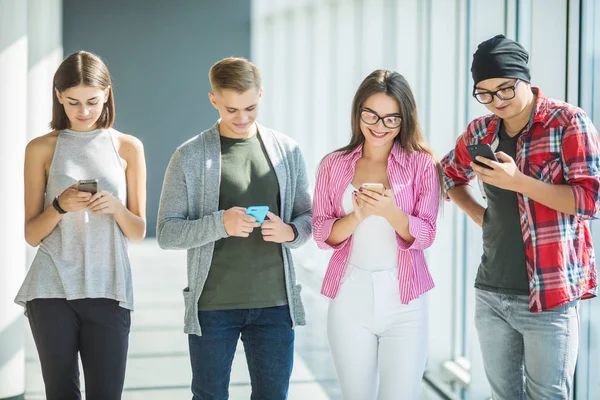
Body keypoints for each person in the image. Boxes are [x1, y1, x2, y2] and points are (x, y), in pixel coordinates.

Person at [441, 34, 600, 399]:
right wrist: (483, 216)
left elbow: (590, 200)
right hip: (491, 294)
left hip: (550, 296)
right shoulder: (481, 131)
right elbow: (448, 173)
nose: (497, 102)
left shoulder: (568, 123)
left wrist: (519, 182)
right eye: (485, 93)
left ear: (524, 78)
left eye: (505, 89)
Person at [156, 57, 312, 400]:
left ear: (261, 95)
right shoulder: (189, 156)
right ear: (213, 100)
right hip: (213, 307)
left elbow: (308, 217)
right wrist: (220, 223)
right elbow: (166, 232)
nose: (242, 118)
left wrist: (290, 233)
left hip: (275, 305)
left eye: (250, 108)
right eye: (231, 109)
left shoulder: (287, 151)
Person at [15, 50, 147, 400]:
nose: (84, 111)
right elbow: (31, 234)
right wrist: (60, 205)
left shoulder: (128, 147)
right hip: (51, 289)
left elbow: (137, 231)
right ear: (58, 96)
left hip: (110, 288)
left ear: (106, 93)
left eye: (92, 101)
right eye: (73, 102)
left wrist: (116, 208)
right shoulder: (40, 148)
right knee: (61, 394)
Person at [312, 69, 442, 400]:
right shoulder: (333, 164)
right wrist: (357, 216)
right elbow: (321, 233)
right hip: (349, 296)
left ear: (404, 121)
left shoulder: (423, 165)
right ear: (358, 112)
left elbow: (426, 234)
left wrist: (390, 212)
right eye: (371, 114)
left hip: (406, 299)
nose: (379, 126)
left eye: (391, 119)